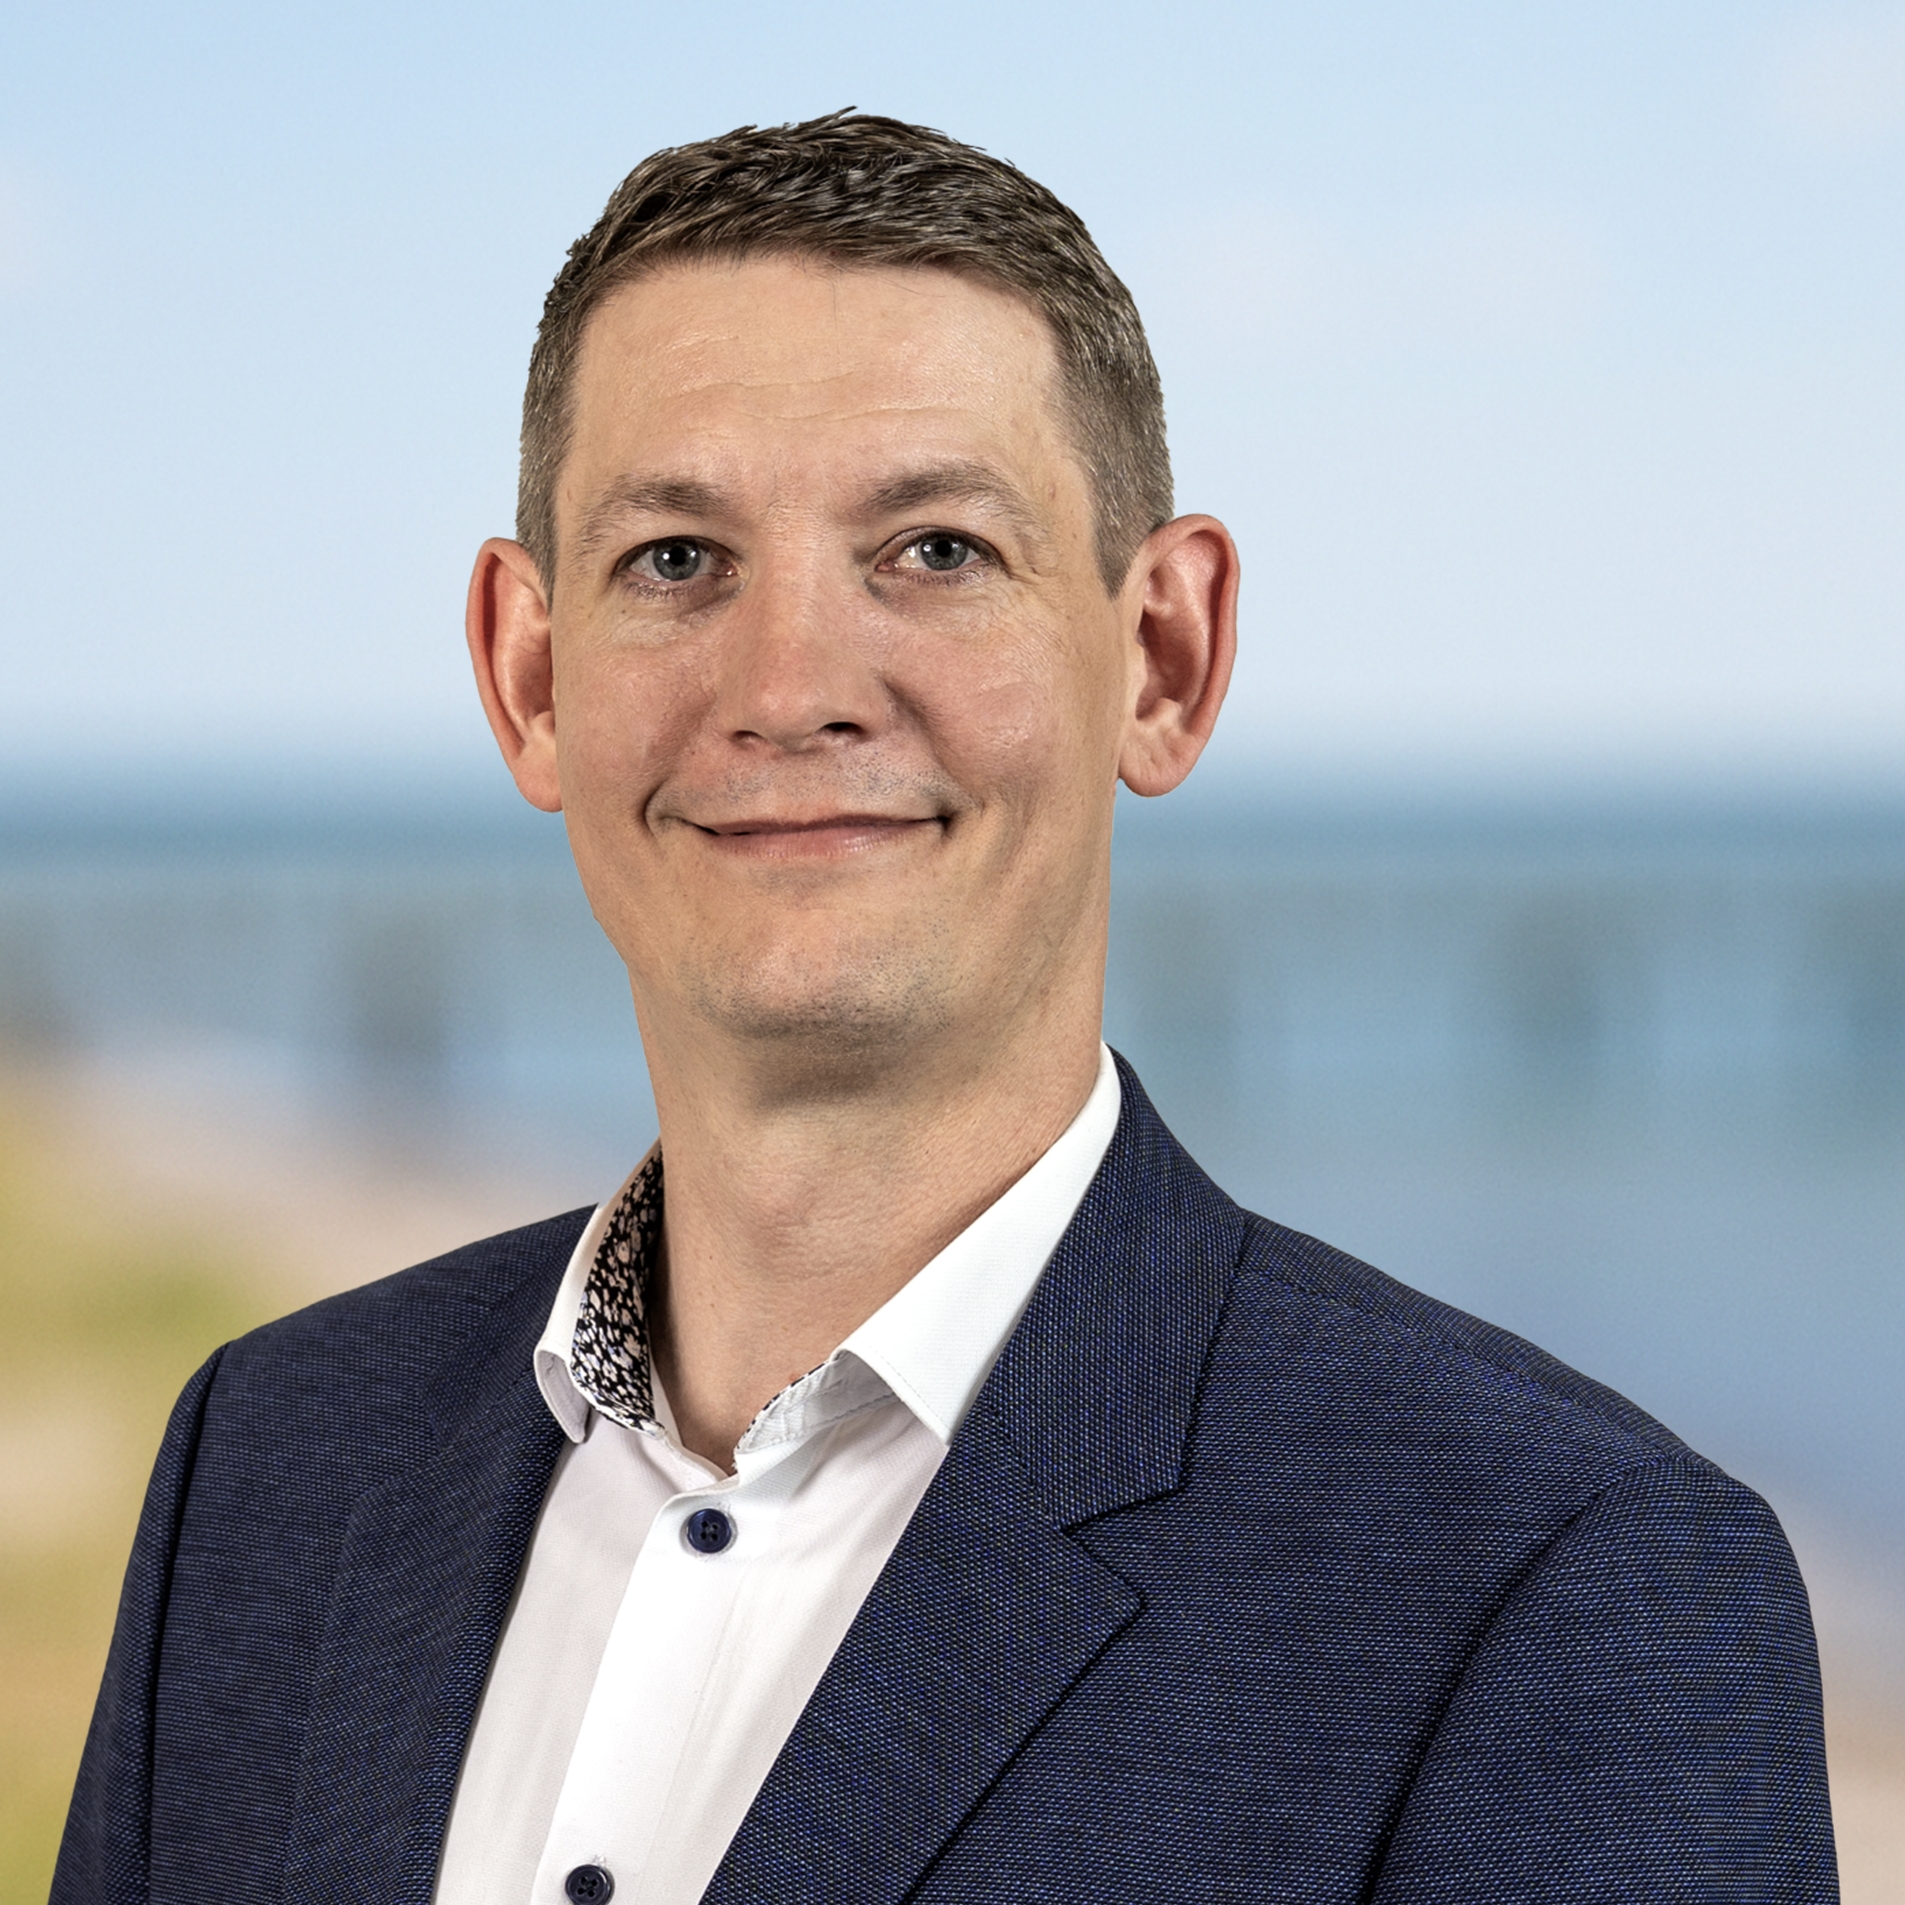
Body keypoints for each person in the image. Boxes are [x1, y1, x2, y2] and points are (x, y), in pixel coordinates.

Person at [55, 113, 1835, 1903]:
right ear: (529, 675)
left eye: (933, 550)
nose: (790, 686)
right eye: (674, 558)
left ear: (1163, 656)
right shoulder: (267, 1462)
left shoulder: (1558, 1583)